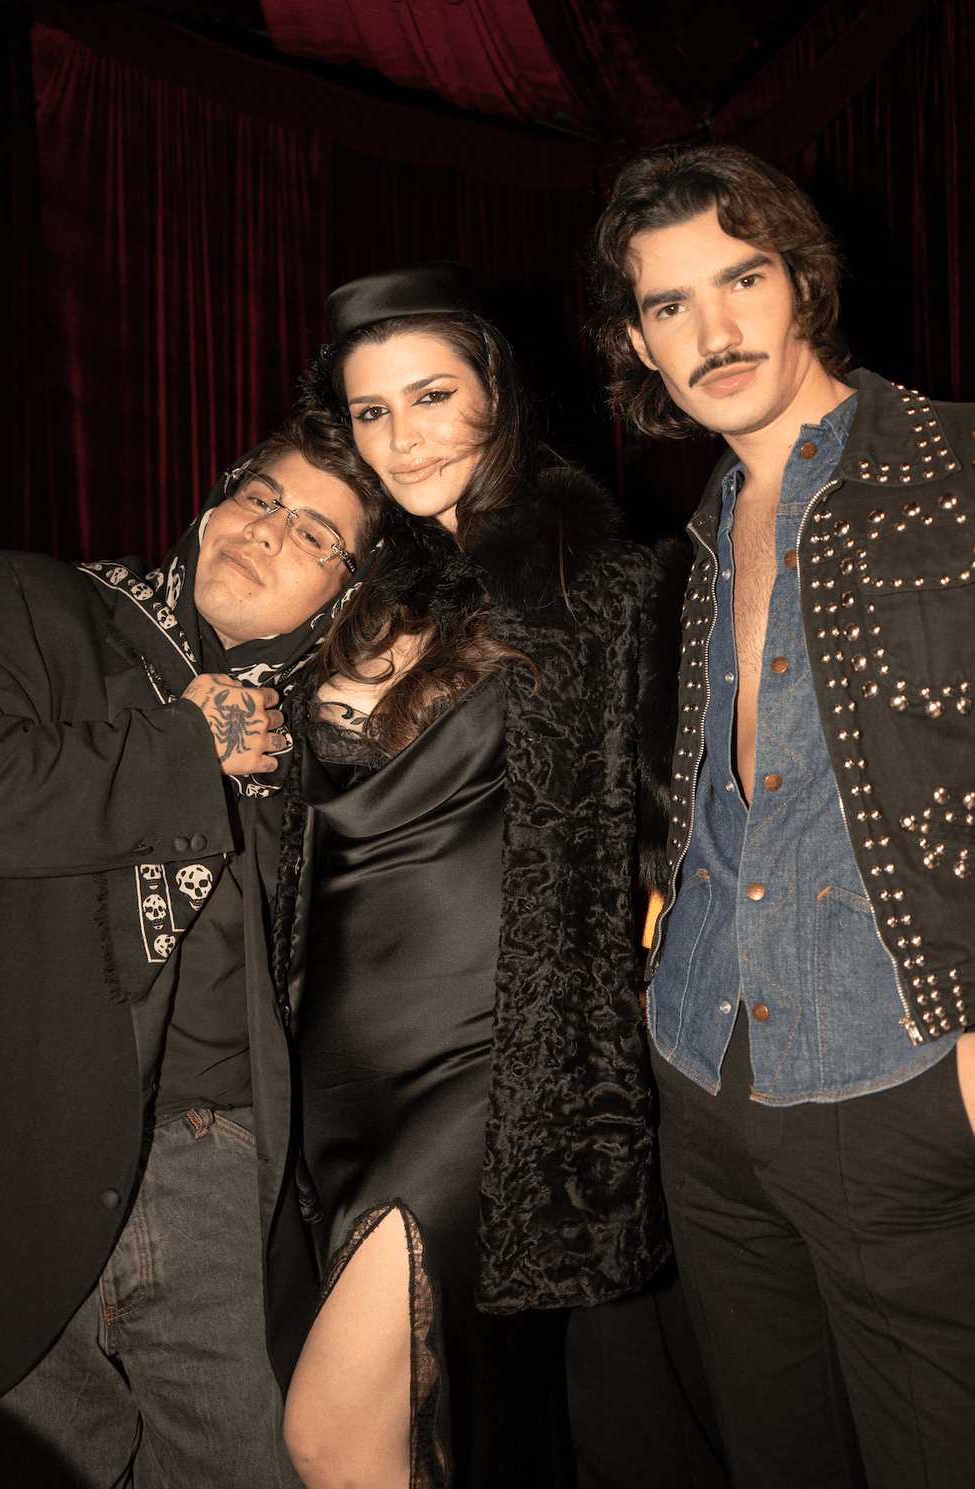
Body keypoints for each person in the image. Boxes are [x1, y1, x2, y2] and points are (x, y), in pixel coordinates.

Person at [589, 140, 975, 1489]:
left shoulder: (953, 468)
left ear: (803, 279)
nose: (713, 330)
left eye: (741, 277)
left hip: (896, 1077)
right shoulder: (702, 533)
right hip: (703, 1074)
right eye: (669, 303)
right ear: (638, 341)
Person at [274, 262, 692, 1489]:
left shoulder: (597, 581)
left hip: (489, 1065)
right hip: (336, 1066)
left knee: (329, 1435)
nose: (401, 437)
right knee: (438, 1434)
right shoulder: (367, 587)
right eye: (371, 410)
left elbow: (666, 825)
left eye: (431, 395)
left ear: (495, 393)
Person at [0, 411, 382, 1487]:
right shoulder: (38, 604)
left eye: (314, 534)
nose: (268, 529)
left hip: (221, 1168)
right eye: (260, 497)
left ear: (343, 598)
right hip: (28, 1149)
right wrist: (187, 742)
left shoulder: (320, 748)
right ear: (212, 509)